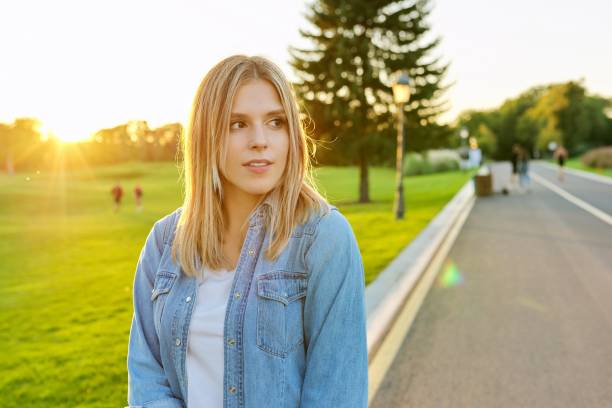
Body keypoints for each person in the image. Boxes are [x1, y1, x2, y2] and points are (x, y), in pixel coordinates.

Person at [126, 55, 368, 408]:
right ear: (206, 136)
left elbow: (337, 394)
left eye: (275, 122)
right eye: (237, 124)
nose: (259, 140)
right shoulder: (164, 241)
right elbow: (146, 379)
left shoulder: (324, 239)